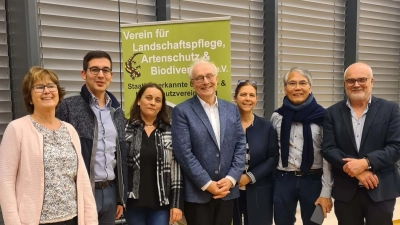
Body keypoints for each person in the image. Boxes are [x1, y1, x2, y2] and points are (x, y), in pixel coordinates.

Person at [0, 66, 98, 225]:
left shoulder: (69, 130)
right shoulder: (17, 129)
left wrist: (91, 220)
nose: (46, 91)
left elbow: (82, 180)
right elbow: (5, 183)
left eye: (51, 86)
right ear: (30, 97)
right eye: (39, 87)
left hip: (73, 218)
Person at [322, 62, 400, 225]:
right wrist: (357, 171)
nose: (356, 84)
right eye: (351, 81)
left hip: (381, 189)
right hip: (346, 192)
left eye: (362, 80)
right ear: (345, 84)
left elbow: (396, 147)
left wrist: (366, 162)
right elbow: (329, 149)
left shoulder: (391, 109)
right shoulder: (332, 113)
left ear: (372, 81)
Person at [56, 50, 127, 224]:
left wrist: (121, 197)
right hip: (82, 191)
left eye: (105, 70)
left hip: (110, 191)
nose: (100, 75)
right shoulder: (68, 107)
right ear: (84, 74)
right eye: (94, 70)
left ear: (111, 75)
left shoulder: (117, 112)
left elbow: (120, 156)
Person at [171, 60, 246, 225]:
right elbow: (183, 153)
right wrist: (207, 183)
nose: (205, 82)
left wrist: (232, 179)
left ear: (217, 79)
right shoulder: (182, 111)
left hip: (227, 192)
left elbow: (240, 145)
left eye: (209, 76)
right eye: (199, 78)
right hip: (198, 194)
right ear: (192, 84)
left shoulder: (231, 109)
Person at [271, 67, 333, 225]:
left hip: (315, 181)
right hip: (283, 180)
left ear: (310, 87)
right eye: (292, 83)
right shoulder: (277, 117)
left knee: (316, 223)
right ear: (285, 89)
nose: (297, 87)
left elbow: (328, 157)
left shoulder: (324, 116)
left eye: (302, 83)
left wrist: (326, 192)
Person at [124, 83, 183, 225]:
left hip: (161, 203)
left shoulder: (170, 131)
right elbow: (119, 167)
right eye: (148, 98)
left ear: (162, 105)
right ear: (138, 101)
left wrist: (176, 203)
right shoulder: (126, 128)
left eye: (157, 100)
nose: (152, 103)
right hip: (132, 202)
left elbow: (176, 171)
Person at [232, 80, 279, 225]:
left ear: (256, 99)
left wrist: (250, 177)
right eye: (243, 94)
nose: (247, 98)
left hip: (259, 188)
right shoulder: (227, 124)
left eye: (252, 95)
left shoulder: (266, 126)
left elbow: (273, 158)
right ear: (235, 98)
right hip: (231, 189)